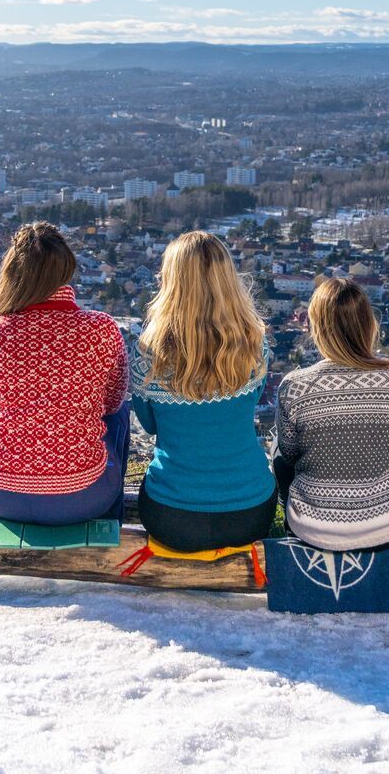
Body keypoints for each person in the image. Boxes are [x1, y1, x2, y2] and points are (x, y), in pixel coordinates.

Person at [0, 221, 130, 526]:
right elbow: (111, 401)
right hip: (84, 496)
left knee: (3, 409)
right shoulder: (100, 329)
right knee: (119, 411)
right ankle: (112, 518)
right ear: (66, 269)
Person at [131, 231, 277, 551]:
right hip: (250, 511)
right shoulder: (255, 347)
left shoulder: (147, 356)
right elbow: (251, 403)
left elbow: (151, 426)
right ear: (229, 280)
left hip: (171, 515)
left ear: (171, 282)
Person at [273, 278, 389, 550]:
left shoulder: (294, 386)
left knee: (278, 450)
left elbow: (289, 455)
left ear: (318, 328)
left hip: (314, 528)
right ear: (367, 325)